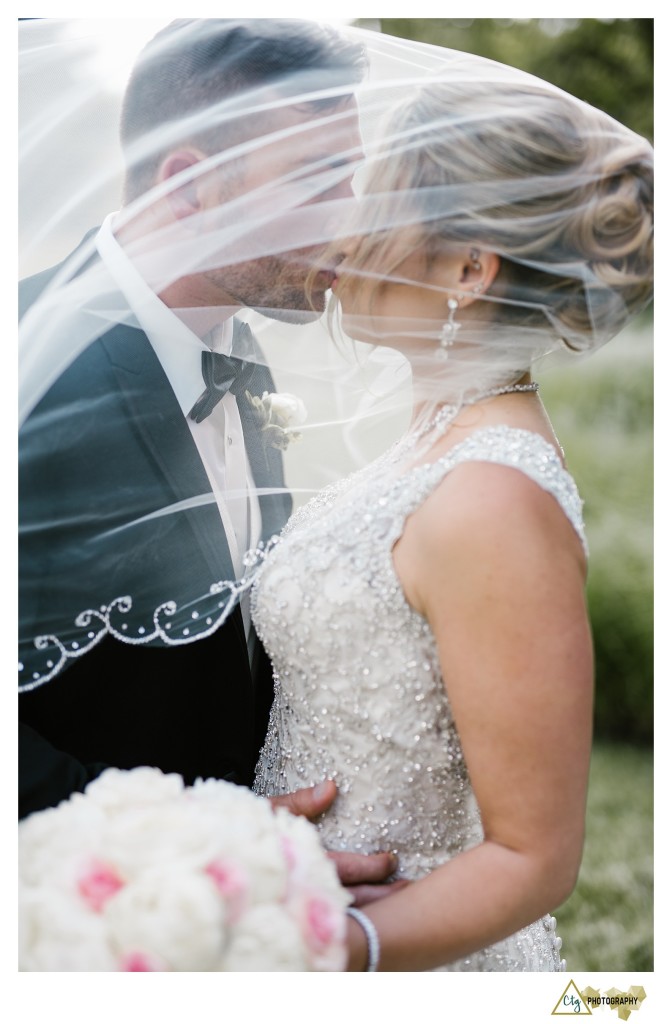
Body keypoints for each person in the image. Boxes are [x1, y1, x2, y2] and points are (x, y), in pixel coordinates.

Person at [251, 74, 654, 969]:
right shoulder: (430, 449)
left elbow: (533, 858)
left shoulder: (492, 498)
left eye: (378, 205)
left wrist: (329, 945)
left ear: (469, 270)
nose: (346, 236)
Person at [18, 18, 401, 900]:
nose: (352, 218)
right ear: (189, 185)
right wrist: (194, 850)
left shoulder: (244, 360)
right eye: (317, 179)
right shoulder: (19, 365)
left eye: (352, 172)